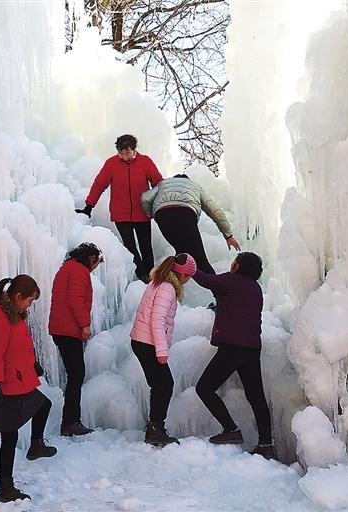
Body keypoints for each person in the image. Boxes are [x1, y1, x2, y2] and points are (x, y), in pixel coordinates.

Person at [0, 275, 57, 503]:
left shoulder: (13, 314)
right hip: (7, 385)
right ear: (18, 296)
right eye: (29, 301)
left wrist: (34, 364)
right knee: (9, 437)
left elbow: (20, 344)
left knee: (43, 406)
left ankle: (36, 445)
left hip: (19, 378)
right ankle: (6, 489)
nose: (29, 305)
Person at [193, 252, 274, 459]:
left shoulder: (231, 280)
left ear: (237, 266)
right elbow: (236, 306)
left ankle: (231, 429)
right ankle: (266, 444)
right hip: (252, 348)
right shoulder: (256, 289)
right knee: (256, 397)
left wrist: (189, 267)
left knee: (204, 388)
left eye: (234, 262)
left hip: (233, 347)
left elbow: (206, 280)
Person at [130, 253, 197, 447]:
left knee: (159, 384)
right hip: (148, 343)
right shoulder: (167, 288)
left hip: (142, 341)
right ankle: (155, 429)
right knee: (165, 384)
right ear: (182, 274)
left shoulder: (159, 282)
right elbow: (157, 320)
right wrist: (161, 350)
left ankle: (155, 427)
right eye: (189, 276)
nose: (189, 280)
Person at [76, 134, 163, 282]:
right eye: (121, 153)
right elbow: (99, 185)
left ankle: (151, 276)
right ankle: (140, 275)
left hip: (142, 213)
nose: (124, 156)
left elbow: (158, 183)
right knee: (129, 247)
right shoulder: (111, 164)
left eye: (127, 152)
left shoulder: (145, 162)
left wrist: (163, 204)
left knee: (146, 246)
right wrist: (89, 206)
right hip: (121, 214)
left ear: (134, 149)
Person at [48, 242, 103, 437]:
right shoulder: (79, 271)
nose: (96, 266)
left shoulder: (66, 268)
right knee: (76, 374)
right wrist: (85, 324)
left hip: (61, 329)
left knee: (74, 374)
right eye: (97, 261)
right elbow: (76, 299)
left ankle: (72, 420)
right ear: (91, 258)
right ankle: (70, 422)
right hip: (68, 330)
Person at [141, 173, 240, 277]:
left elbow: (145, 198)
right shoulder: (195, 186)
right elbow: (214, 210)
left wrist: (151, 214)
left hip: (163, 215)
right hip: (185, 214)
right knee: (201, 260)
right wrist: (228, 235)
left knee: (181, 254)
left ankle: (166, 283)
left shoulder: (163, 184)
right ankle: (217, 286)